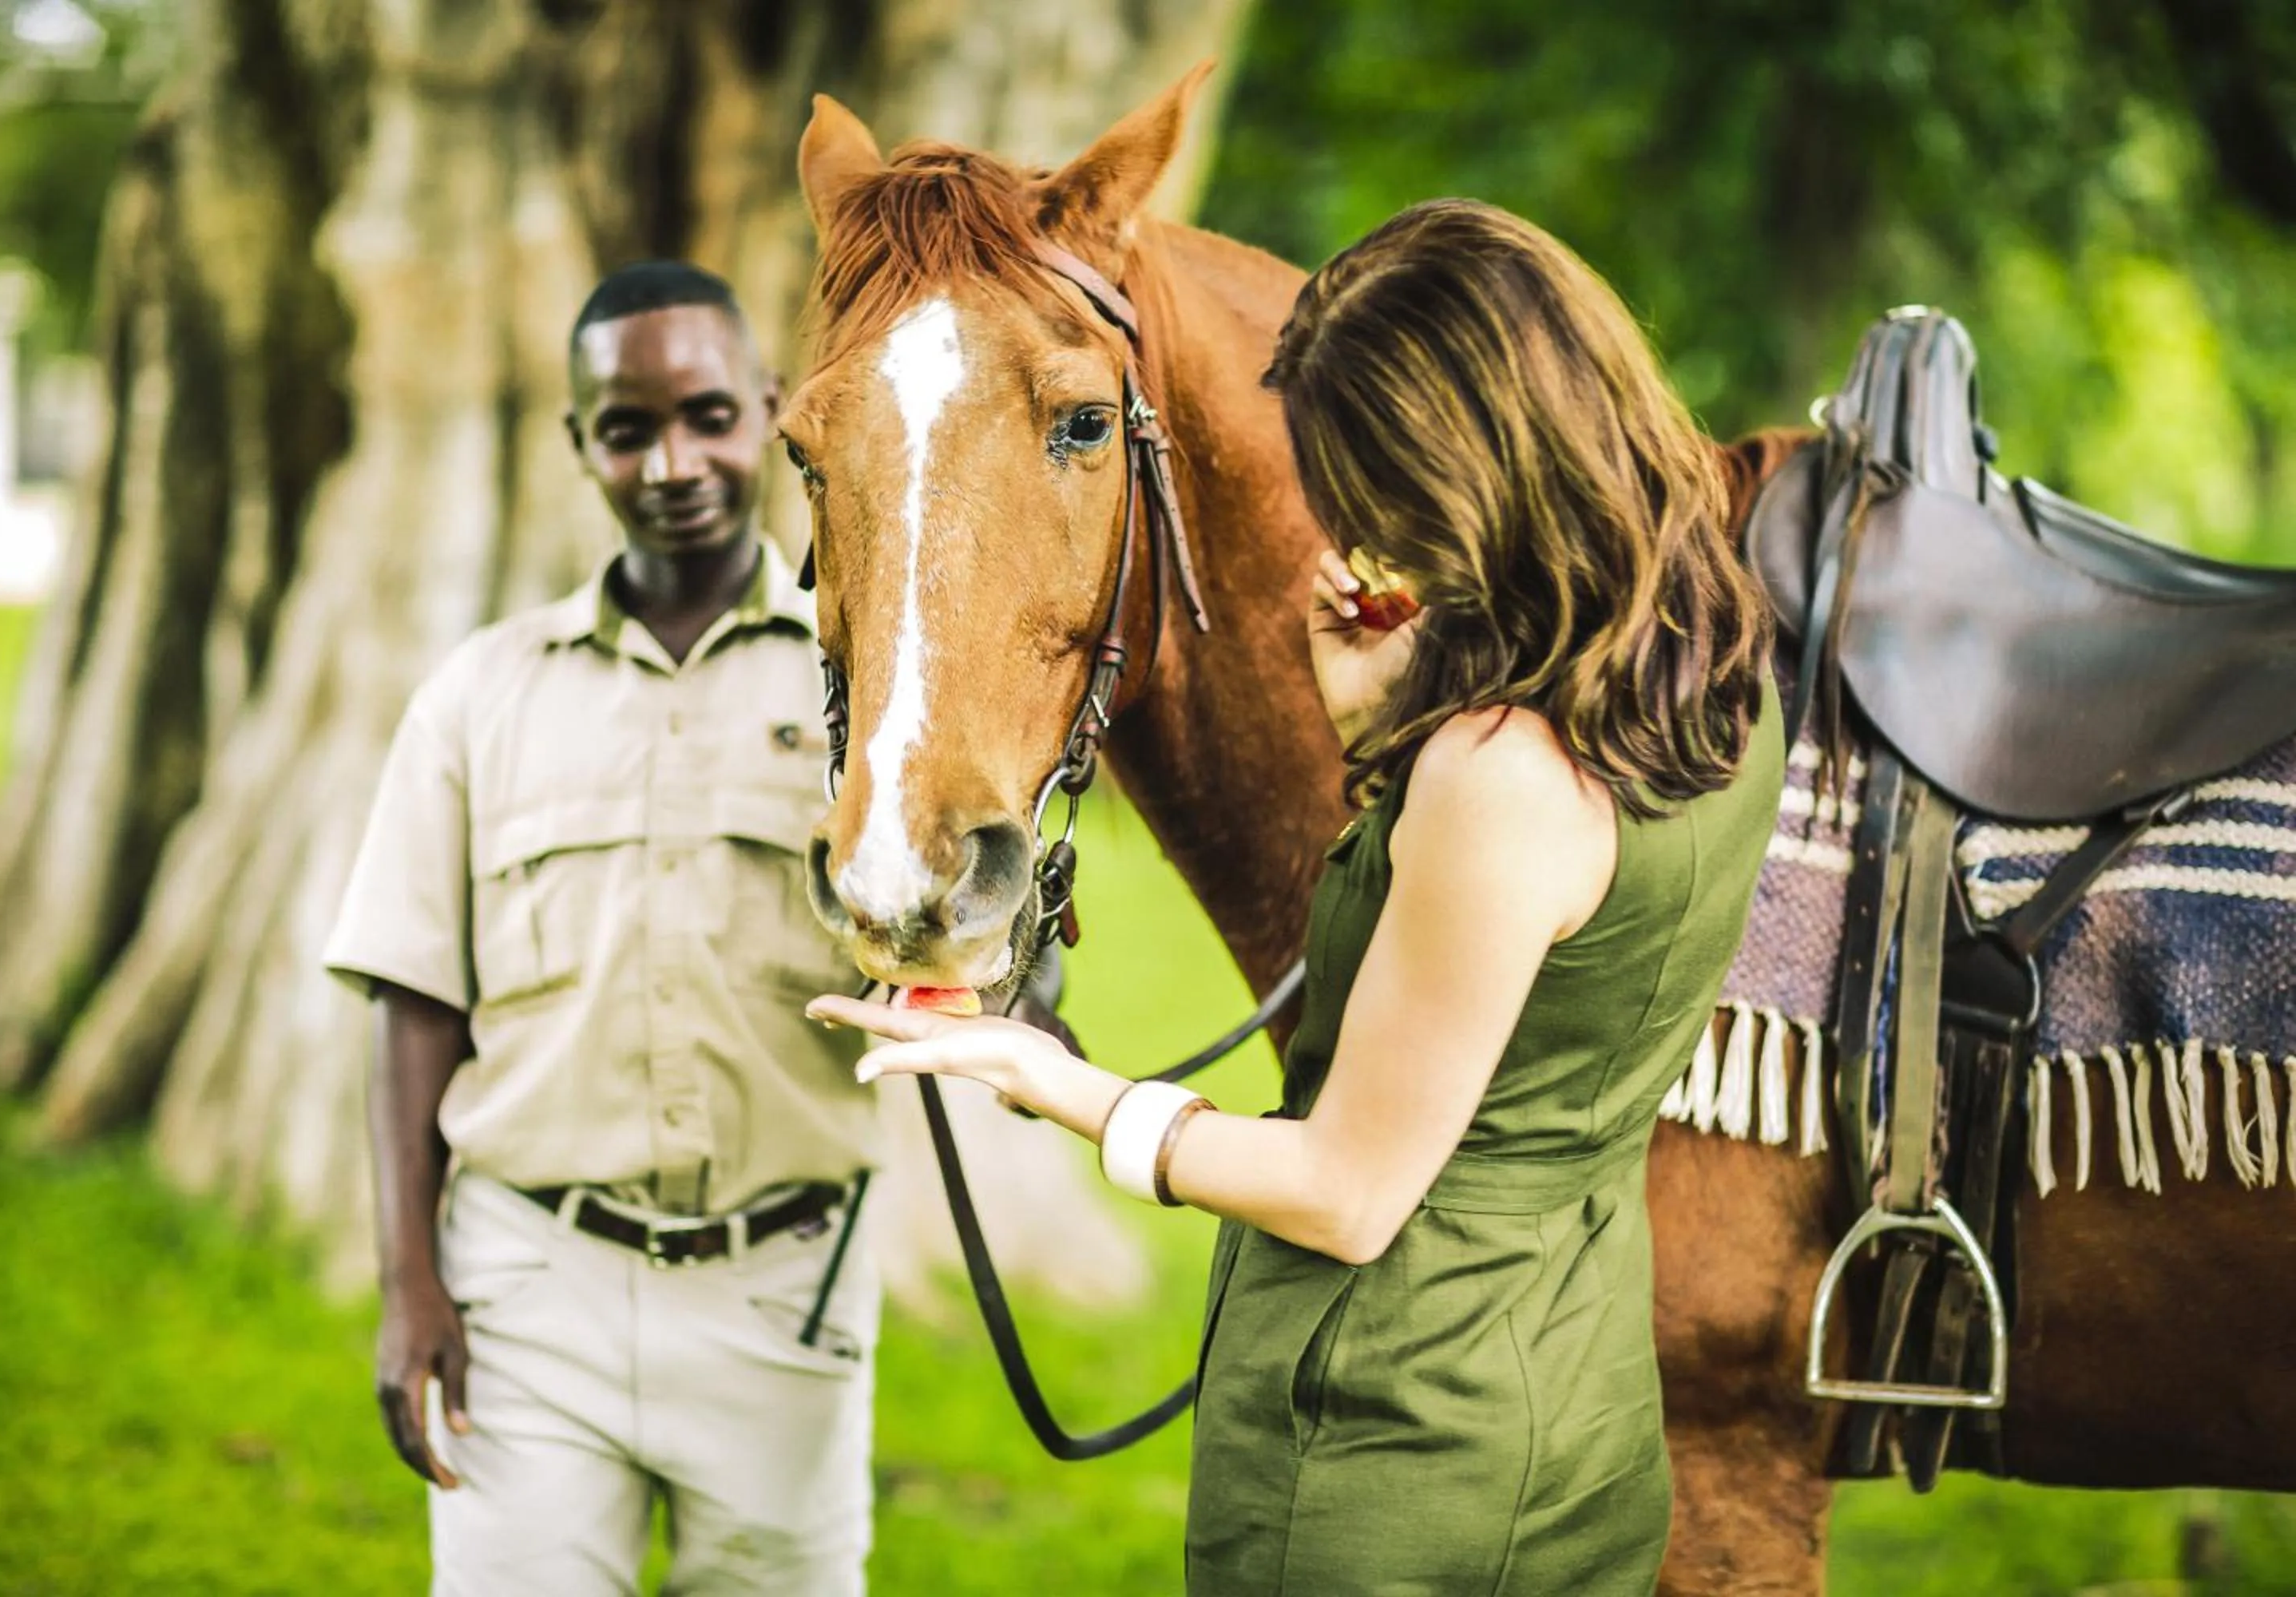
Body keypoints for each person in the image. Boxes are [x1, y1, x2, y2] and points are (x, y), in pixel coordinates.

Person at [808, 198, 1785, 1595]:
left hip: (1387, 1465)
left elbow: (1347, 1193)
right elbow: (1524, 1009)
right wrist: (1376, 731)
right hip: (1571, 1427)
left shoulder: (1496, 775)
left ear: (1477, 457)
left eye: (1368, 475)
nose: (1355, 519)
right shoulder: (1711, 686)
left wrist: (1056, 1082)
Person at [323, 260, 886, 1595]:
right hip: (531, 1287)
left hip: (784, 1288)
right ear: (580, 444)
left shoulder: (862, 679)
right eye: (625, 431)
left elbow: (952, 938)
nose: (671, 462)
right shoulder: (479, 695)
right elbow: (414, 1006)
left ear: (768, 410)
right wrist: (413, 1290)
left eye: (704, 415)